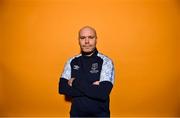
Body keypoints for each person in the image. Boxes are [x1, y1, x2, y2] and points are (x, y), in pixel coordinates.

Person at [59, 26, 115, 117]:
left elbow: (103, 93)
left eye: (91, 37)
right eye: (82, 38)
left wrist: (74, 82)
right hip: (76, 115)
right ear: (78, 40)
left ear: (96, 39)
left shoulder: (106, 61)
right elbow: (62, 88)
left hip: (100, 115)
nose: (87, 42)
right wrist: (92, 87)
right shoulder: (72, 61)